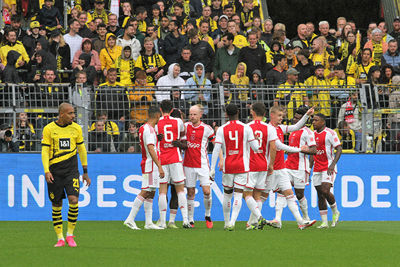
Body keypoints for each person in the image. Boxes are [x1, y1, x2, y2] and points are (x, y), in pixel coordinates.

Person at [41, 103, 90, 247]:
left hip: (71, 171)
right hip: (55, 171)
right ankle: (60, 238)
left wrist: (85, 171)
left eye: (73, 113)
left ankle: (70, 235)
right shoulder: (49, 129)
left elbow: (81, 150)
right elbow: (44, 151)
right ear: (61, 114)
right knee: (57, 204)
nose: (73, 116)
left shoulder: (76, 129)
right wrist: (46, 170)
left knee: (73, 200)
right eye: (70, 113)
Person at [263, 105, 316, 230]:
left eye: (282, 116)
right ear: (272, 115)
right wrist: (298, 149)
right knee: (262, 196)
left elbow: (297, 126)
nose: (282, 118)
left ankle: (291, 220)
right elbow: (280, 146)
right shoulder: (269, 129)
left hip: (281, 167)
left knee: (287, 193)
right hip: (272, 167)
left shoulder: (280, 128)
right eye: (280, 116)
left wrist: (307, 115)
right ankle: (252, 220)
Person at [210, 103, 260, 230]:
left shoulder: (222, 129)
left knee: (227, 194)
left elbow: (216, 149)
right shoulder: (246, 128)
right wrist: (256, 139)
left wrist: (212, 169)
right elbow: (256, 148)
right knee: (238, 194)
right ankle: (232, 222)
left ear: (226, 114)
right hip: (242, 165)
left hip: (228, 165)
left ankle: (226, 222)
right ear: (238, 112)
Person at [124, 106, 165, 230]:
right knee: (146, 190)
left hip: (148, 162)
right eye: (160, 116)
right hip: (150, 164)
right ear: (157, 115)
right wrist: (159, 166)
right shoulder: (150, 130)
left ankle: (148, 223)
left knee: (151, 193)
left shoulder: (143, 128)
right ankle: (130, 219)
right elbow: (150, 148)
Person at [277, 107, 317, 223]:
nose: (295, 120)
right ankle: (277, 219)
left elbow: (314, 151)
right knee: (281, 190)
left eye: (298, 118)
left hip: (300, 168)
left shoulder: (308, 133)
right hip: (288, 166)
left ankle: (306, 217)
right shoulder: (292, 131)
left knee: (299, 195)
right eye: (294, 118)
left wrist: (301, 150)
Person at [155, 100, 190, 229]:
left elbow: (155, 139)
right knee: (180, 189)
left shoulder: (157, 123)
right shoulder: (178, 122)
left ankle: (163, 222)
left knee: (162, 192)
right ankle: (185, 220)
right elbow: (182, 136)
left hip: (162, 159)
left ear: (160, 109)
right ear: (171, 110)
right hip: (175, 158)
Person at [244, 102, 277, 230]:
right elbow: (273, 147)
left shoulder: (247, 127)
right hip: (263, 163)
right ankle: (254, 223)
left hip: (250, 164)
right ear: (264, 114)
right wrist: (271, 164)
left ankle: (258, 218)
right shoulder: (269, 128)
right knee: (257, 195)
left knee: (246, 194)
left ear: (252, 112)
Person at [311, 113, 342, 228]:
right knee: (320, 194)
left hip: (328, 167)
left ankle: (335, 211)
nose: (313, 122)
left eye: (316, 120)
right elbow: (312, 152)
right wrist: (310, 167)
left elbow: (339, 148)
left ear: (323, 122)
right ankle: (324, 222)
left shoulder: (330, 133)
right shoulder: (312, 134)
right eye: (313, 120)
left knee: (325, 190)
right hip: (317, 168)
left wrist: (333, 164)